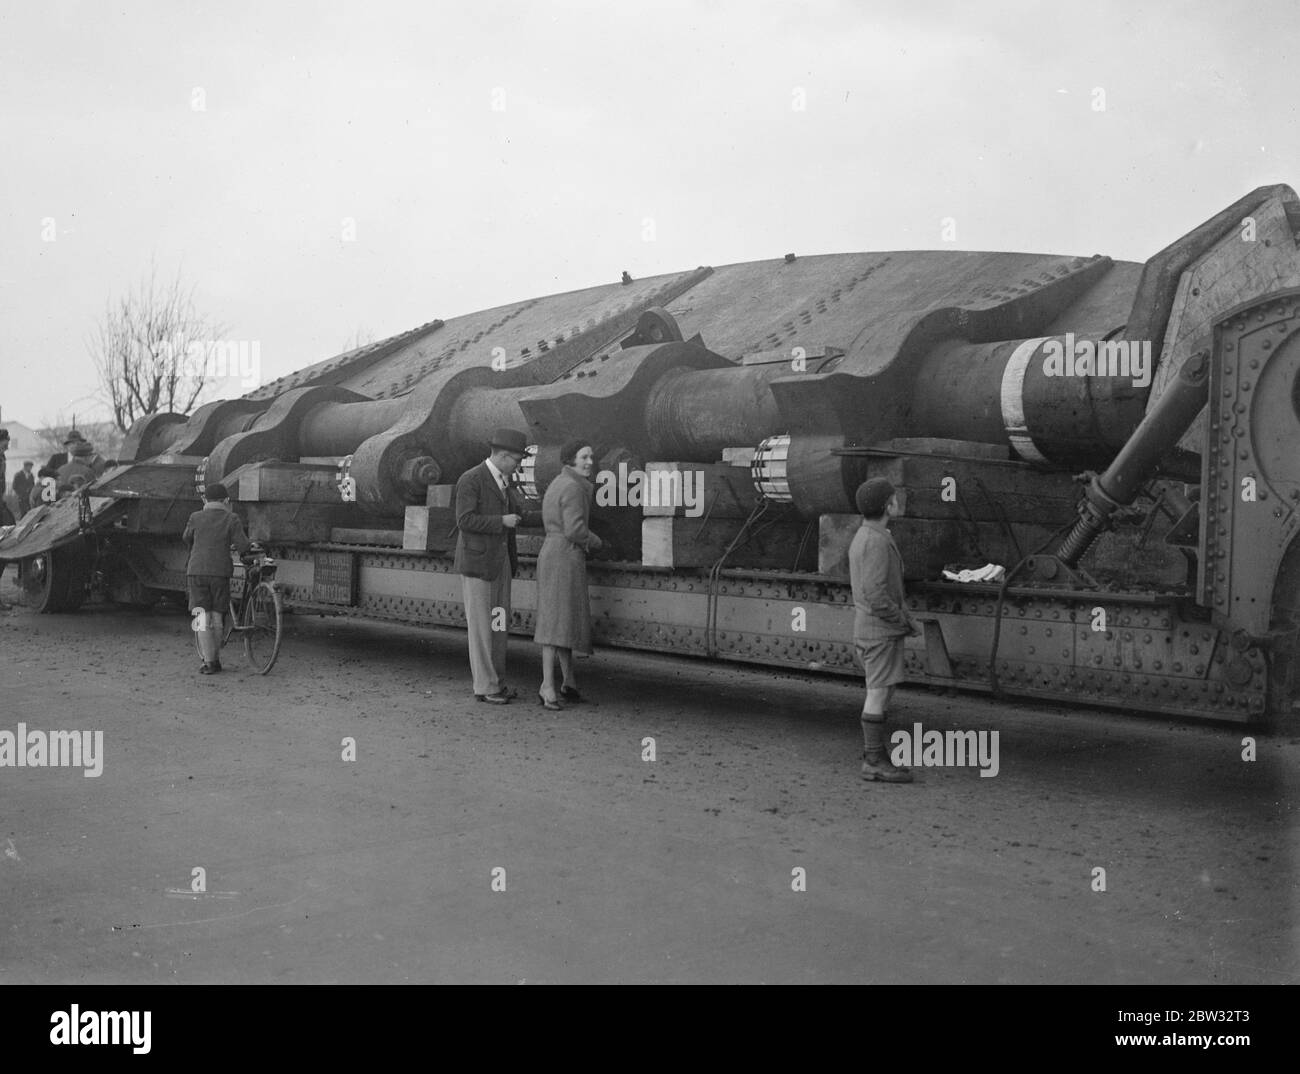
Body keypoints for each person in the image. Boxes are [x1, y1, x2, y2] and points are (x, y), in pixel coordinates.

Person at [453, 428, 539, 703]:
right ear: (503, 456)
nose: (517, 467)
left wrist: (549, 512)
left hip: (500, 564)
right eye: (516, 461)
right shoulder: (471, 479)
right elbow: (464, 521)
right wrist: (501, 522)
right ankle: (486, 687)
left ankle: (497, 683)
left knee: (498, 626)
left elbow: (519, 516)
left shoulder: (504, 482)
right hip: (479, 565)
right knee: (481, 628)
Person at [850, 477, 920, 783]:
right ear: (887, 505)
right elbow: (876, 594)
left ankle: (877, 753)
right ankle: (874, 760)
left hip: (877, 630)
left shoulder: (869, 535)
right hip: (879, 631)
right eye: (894, 498)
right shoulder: (875, 541)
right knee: (877, 694)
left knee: (883, 691)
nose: (897, 501)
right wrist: (902, 620)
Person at [533, 439, 604, 709]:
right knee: (555, 624)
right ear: (570, 460)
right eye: (584, 457)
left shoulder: (558, 483)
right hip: (566, 555)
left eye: (591, 457)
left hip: (553, 552)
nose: (590, 462)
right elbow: (575, 530)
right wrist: (597, 542)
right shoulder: (574, 488)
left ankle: (568, 681)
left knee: (561, 621)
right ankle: (547, 687)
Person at [182, 481, 251, 674]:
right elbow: (243, 546)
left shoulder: (195, 517)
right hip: (220, 573)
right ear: (225, 500)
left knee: (201, 617)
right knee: (217, 615)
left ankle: (209, 661)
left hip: (195, 572)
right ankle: (216, 658)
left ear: (207, 500)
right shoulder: (232, 518)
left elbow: (186, 537)